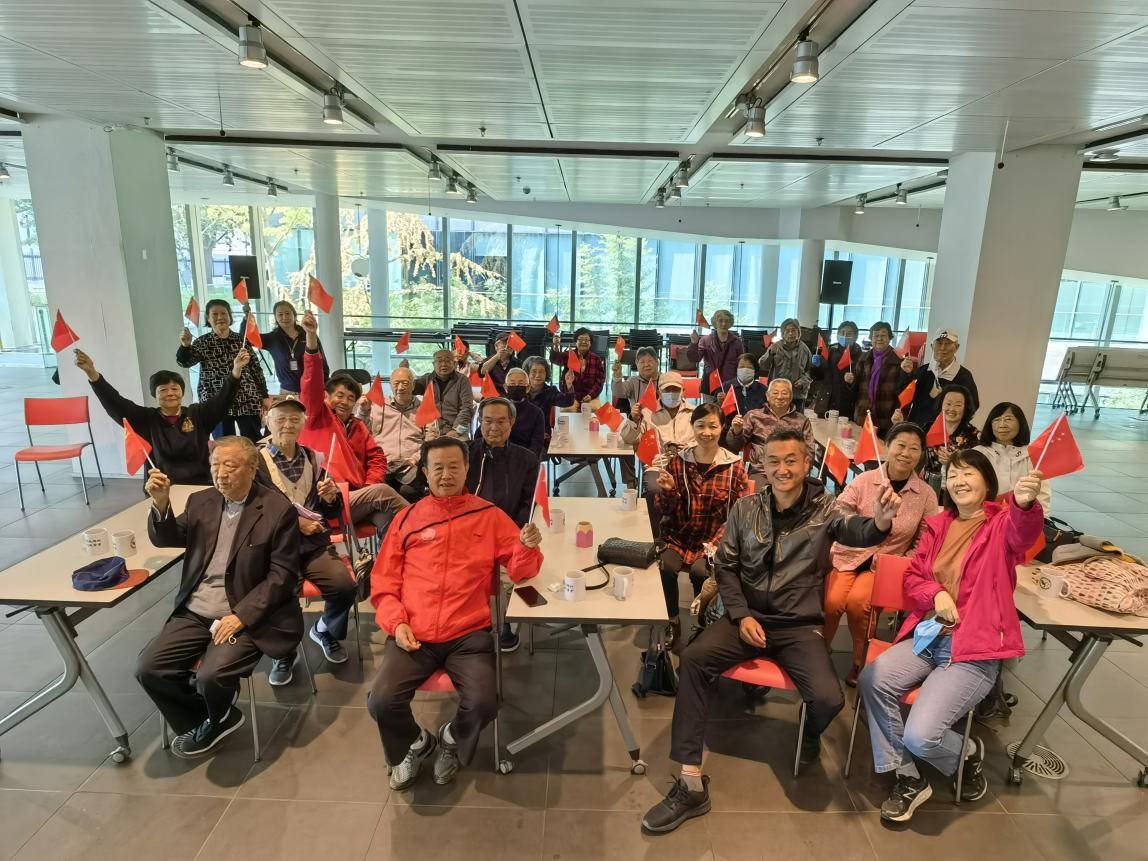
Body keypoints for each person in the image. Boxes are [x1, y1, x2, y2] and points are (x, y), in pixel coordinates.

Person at [641, 428, 901, 835]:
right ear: (762, 464)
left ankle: (810, 729)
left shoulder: (826, 510)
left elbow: (860, 530)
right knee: (693, 659)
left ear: (807, 463)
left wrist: (881, 521)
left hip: (798, 625)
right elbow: (726, 567)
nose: (782, 469)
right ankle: (690, 784)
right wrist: (741, 615)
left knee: (828, 698)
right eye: (774, 461)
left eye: (791, 460)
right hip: (746, 618)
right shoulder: (746, 509)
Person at [859, 453, 1045, 822]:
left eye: (968, 473)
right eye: (953, 474)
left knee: (920, 736)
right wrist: (936, 594)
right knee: (872, 680)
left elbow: (1022, 535)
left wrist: (1025, 505)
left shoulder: (1001, 524)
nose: (959, 480)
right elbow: (914, 578)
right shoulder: (938, 525)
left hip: (973, 650)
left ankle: (967, 752)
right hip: (930, 636)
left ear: (987, 482)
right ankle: (909, 777)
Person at [367, 437, 543, 789]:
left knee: (484, 703)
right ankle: (415, 744)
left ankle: (450, 738)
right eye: (438, 468)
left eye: (453, 467)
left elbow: (522, 570)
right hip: (413, 633)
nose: (446, 475)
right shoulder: (407, 519)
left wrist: (526, 547)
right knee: (381, 702)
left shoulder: (488, 516)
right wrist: (396, 623)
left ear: (466, 469)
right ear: (424, 472)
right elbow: (384, 582)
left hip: (468, 634)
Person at [135, 436, 301, 758]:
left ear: (252, 469)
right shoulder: (201, 501)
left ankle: (215, 712)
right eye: (215, 465)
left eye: (230, 466)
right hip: (197, 609)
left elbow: (282, 576)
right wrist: (161, 503)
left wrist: (241, 616)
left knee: (211, 676)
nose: (220, 474)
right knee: (149, 668)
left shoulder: (277, 510)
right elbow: (169, 538)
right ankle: (214, 717)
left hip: (244, 612)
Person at [824, 423, 940, 687]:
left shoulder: (925, 494)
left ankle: (860, 662)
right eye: (901, 445)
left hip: (886, 564)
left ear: (921, 454)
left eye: (914, 448)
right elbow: (839, 510)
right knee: (832, 601)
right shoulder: (865, 480)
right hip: (848, 554)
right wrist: (863, 525)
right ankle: (820, 651)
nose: (906, 453)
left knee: (858, 603)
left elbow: (926, 540)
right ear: (887, 446)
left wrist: (902, 563)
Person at [255, 395, 357, 684]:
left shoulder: (315, 458)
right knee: (278, 594)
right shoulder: (255, 462)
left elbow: (331, 511)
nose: (288, 424)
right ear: (267, 421)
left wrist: (330, 498)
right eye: (280, 418)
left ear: (303, 424)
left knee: (344, 586)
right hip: (273, 549)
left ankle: (324, 629)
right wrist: (295, 523)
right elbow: (252, 509)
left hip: (313, 545)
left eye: (294, 419)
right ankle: (284, 651)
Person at [299, 312, 408, 537]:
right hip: (327, 500)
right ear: (326, 396)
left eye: (351, 398)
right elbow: (311, 382)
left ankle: (393, 558)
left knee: (390, 519)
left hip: (357, 496)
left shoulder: (358, 426)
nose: (345, 402)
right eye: (339, 395)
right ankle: (433, 529)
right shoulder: (316, 416)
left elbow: (377, 459)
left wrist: (369, 486)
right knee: (384, 494)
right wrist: (311, 339)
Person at [654, 403, 751, 649]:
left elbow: (740, 514)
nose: (706, 432)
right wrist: (668, 492)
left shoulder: (734, 467)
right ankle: (672, 620)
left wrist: (716, 544)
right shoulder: (678, 462)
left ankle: (702, 625)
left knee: (701, 573)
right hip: (679, 536)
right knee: (665, 566)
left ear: (722, 428)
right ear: (692, 427)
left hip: (713, 540)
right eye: (701, 426)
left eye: (713, 426)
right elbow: (664, 510)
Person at [74, 347, 244, 486]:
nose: (170, 393)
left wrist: (236, 371)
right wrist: (92, 374)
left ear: (182, 392)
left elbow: (223, 399)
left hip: (200, 484)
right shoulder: (146, 419)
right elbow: (115, 402)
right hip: (161, 486)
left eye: (175, 389)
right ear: (154, 395)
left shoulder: (198, 414)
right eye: (163, 390)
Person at [177, 299, 270, 441]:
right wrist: (185, 346)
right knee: (224, 445)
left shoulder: (241, 340)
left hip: (246, 399)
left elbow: (256, 369)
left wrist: (264, 395)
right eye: (214, 314)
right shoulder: (202, 342)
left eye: (223, 313)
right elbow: (185, 362)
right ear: (208, 318)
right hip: (216, 400)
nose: (220, 317)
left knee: (253, 441)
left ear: (230, 316)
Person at [619, 371, 695, 535]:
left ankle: (686, 531)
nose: (672, 393)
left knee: (696, 487)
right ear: (659, 392)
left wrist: (685, 449)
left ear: (683, 391)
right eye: (667, 390)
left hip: (687, 464)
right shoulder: (647, 413)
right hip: (658, 465)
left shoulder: (694, 413)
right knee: (654, 489)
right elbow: (628, 438)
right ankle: (656, 535)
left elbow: (701, 441)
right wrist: (633, 419)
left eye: (675, 389)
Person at [724, 379, 815, 488]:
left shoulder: (802, 421)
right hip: (761, 471)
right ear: (767, 396)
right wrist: (736, 431)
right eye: (775, 393)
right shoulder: (754, 416)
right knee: (759, 496)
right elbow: (734, 446)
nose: (780, 397)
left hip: (791, 472)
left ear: (791, 397)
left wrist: (801, 473)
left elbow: (809, 452)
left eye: (784, 393)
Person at [466, 397, 539, 533]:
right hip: (467, 529)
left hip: (509, 532)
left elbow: (529, 503)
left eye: (501, 422)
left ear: (511, 422)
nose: (494, 428)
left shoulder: (527, 460)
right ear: (480, 421)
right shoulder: (464, 453)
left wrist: (513, 531)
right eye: (488, 421)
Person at [357, 366, 427, 502]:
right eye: (396, 383)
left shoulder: (424, 408)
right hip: (382, 464)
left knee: (409, 492)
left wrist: (415, 459)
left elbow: (430, 441)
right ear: (390, 385)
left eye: (405, 383)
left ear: (413, 385)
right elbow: (360, 432)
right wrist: (363, 411)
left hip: (410, 465)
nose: (400, 387)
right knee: (378, 494)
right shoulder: (377, 405)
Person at [896, 329, 979, 431]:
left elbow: (973, 405)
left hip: (945, 433)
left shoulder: (964, 376)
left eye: (948, 343)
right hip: (917, 430)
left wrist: (955, 426)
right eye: (939, 343)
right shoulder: (922, 371)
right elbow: (903, 397)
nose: (942, 348)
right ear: (932, 346)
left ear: (957, 347)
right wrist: (906, 375)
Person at [974, 402, 1050, 509]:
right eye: (996, 420)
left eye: (1008, 419)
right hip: (984, 513)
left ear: (1020, 423)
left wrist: (1043, 516)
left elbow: (1042, 493)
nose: (1002, 425)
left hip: (1021, 514)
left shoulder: (1032, 454)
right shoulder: (978, 453)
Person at [610, 346, 661, 489]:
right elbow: (618, 392)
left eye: (650, 361)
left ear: (657, 362)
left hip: (659, 427)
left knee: (651, 449)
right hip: (637, 427)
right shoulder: (633, 381)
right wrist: (617, 376)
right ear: (637, 365)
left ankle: (648, 479)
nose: (646, 365)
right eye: (642, 362)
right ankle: (631, 482)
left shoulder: (664, 380)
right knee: (624, 444)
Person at [256, 300, 329, 395]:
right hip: (288, 392)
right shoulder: (272, 338)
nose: (284, 317)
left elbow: (321, 359)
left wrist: (325, 382)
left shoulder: (307, 333)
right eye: (280, 314)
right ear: (276, 318)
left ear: (294, 315)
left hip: (312, 389)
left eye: (287, 313)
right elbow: (248, 339)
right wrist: (246, 319)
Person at [923, 384, 979, 495]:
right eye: (948, 404)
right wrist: (898, 424)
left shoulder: (973, 434)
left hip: (959, 490)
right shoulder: (928, 428)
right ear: (941, 405)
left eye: (958, 405)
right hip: (928, 487)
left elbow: (977, 466)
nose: (952, 409)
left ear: (965, 408)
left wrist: (954, 461)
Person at [853, 321, 902, 435]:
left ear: (889, 338)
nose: (879, 338)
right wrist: (849, 382)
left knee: (881, 446)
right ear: (871, 338)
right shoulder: (863, 359)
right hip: (863, 416)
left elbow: (902, 392)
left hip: (886, 418)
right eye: (876, 336)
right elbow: (856, 387)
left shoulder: (898, 361)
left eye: (883, 335)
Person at [414, 349, 475, 439]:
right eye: (439, 361)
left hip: (455, 431)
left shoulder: (462, 380)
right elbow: (409, 389)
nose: (443, 364)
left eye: (447, 361)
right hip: (432, 430)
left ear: (454, 364)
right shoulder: (427, 379)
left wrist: (457, 431)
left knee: (459, 445)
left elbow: (467, 408)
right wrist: (405, 371)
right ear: (433, 364)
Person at [810, 321, 861, 418]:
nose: (845, 336)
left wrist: (851, 382)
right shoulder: (830, 351)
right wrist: (815, 366)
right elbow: (817, 377)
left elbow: (862, 384)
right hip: (825, 401)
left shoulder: (860, 356)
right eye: (842, 333)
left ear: (855, 336)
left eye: (849, 334)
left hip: (846, 404)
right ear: (837, 335)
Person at [688, 309, 743, 400]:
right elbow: (695, 359)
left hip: (730, 384)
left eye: (726, 321)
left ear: (730, 323)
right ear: (715, 322)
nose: (723, 324)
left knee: (728, 409)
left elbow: (741, 362)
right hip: (710, 384)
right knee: (709, 409)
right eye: (720, 320)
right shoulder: (705, 340)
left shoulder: (737, 341)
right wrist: (694, 344)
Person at [757, 318, 812, 406]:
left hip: (797, 394)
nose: (790, 333)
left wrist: (803, 381)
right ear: (783, 333)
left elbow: (810, 371)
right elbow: (762, 365)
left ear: (798, 332)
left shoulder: (805, 349)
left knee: (796, 415)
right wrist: (771, 354)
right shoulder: (775, 346)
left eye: (793, 330)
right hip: (778, 394)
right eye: (787, 331)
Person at [522, 356, 576, 444]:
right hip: (521, 435)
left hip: (542, 436)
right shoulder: (520, 391)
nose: (538, 375)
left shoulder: (551, 391)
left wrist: (569, 383)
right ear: (527, 373)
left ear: (546, 374)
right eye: (534, 371)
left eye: (541, 372)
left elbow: (568, 401)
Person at [550, 327, 605, 402]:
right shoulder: (570, 355)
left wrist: (591, 395)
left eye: (586, 339)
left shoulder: (596, 359)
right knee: (569, 408)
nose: (583, 342)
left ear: (590, 343)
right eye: (580, 339)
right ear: (576, 342)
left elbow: (600, 380)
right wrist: (556, 346)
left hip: (590, 396)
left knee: (594, 408)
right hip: (571, 394)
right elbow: (555, 359)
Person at [502, 367, 546, 457]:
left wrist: (525, 461)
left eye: (520, 384)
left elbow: (537, 445)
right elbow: (480, 435)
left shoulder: (536, 413)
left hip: (526, 458)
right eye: (512, 384)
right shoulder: (497, 410)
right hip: (499, 457)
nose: (516, 386)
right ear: (506, 388)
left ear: (528, 388)